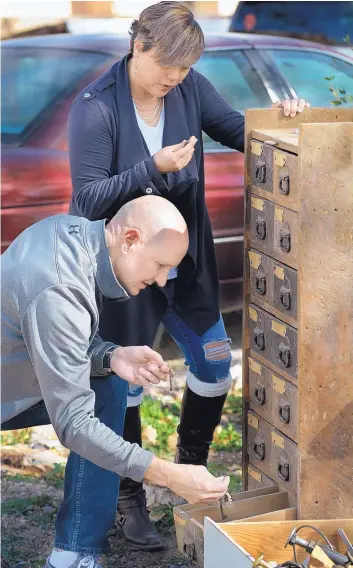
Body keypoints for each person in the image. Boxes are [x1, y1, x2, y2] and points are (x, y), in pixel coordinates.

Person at [68, 0, 311, 550]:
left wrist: (283, 117)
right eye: (166, 69)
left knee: (216, 365)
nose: (174, 81)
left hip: (188, 259)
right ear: (139, 46)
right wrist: (150, 170)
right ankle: (131, 500)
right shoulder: (95, 108)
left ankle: (189, 473)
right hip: (126, 269)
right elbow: (86, 200)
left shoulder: (189, 88)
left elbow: (235, 129)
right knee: (127, 381)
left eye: (183, 71)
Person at [1, 196, 231, 568]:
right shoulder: (60, 285)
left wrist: (110, 356)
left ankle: (74, 552)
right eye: (159, 265)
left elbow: (50, 337)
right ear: (130, 239)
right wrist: (167, 474)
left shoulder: (73, 236)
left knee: (109, 384)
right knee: (91, 408)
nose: (160, 280)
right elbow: (73, 424)